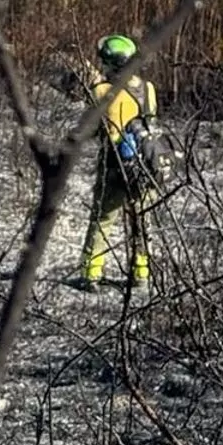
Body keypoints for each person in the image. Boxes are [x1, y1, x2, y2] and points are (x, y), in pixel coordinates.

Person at [73, 34, 159, 290]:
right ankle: (141, 274)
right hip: (145, 165)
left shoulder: (101, 91)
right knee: (142, 221)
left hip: (113, 165)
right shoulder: (148, 88)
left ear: (110, 63)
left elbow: (90, 128)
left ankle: (91, 275)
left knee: (102, 220)